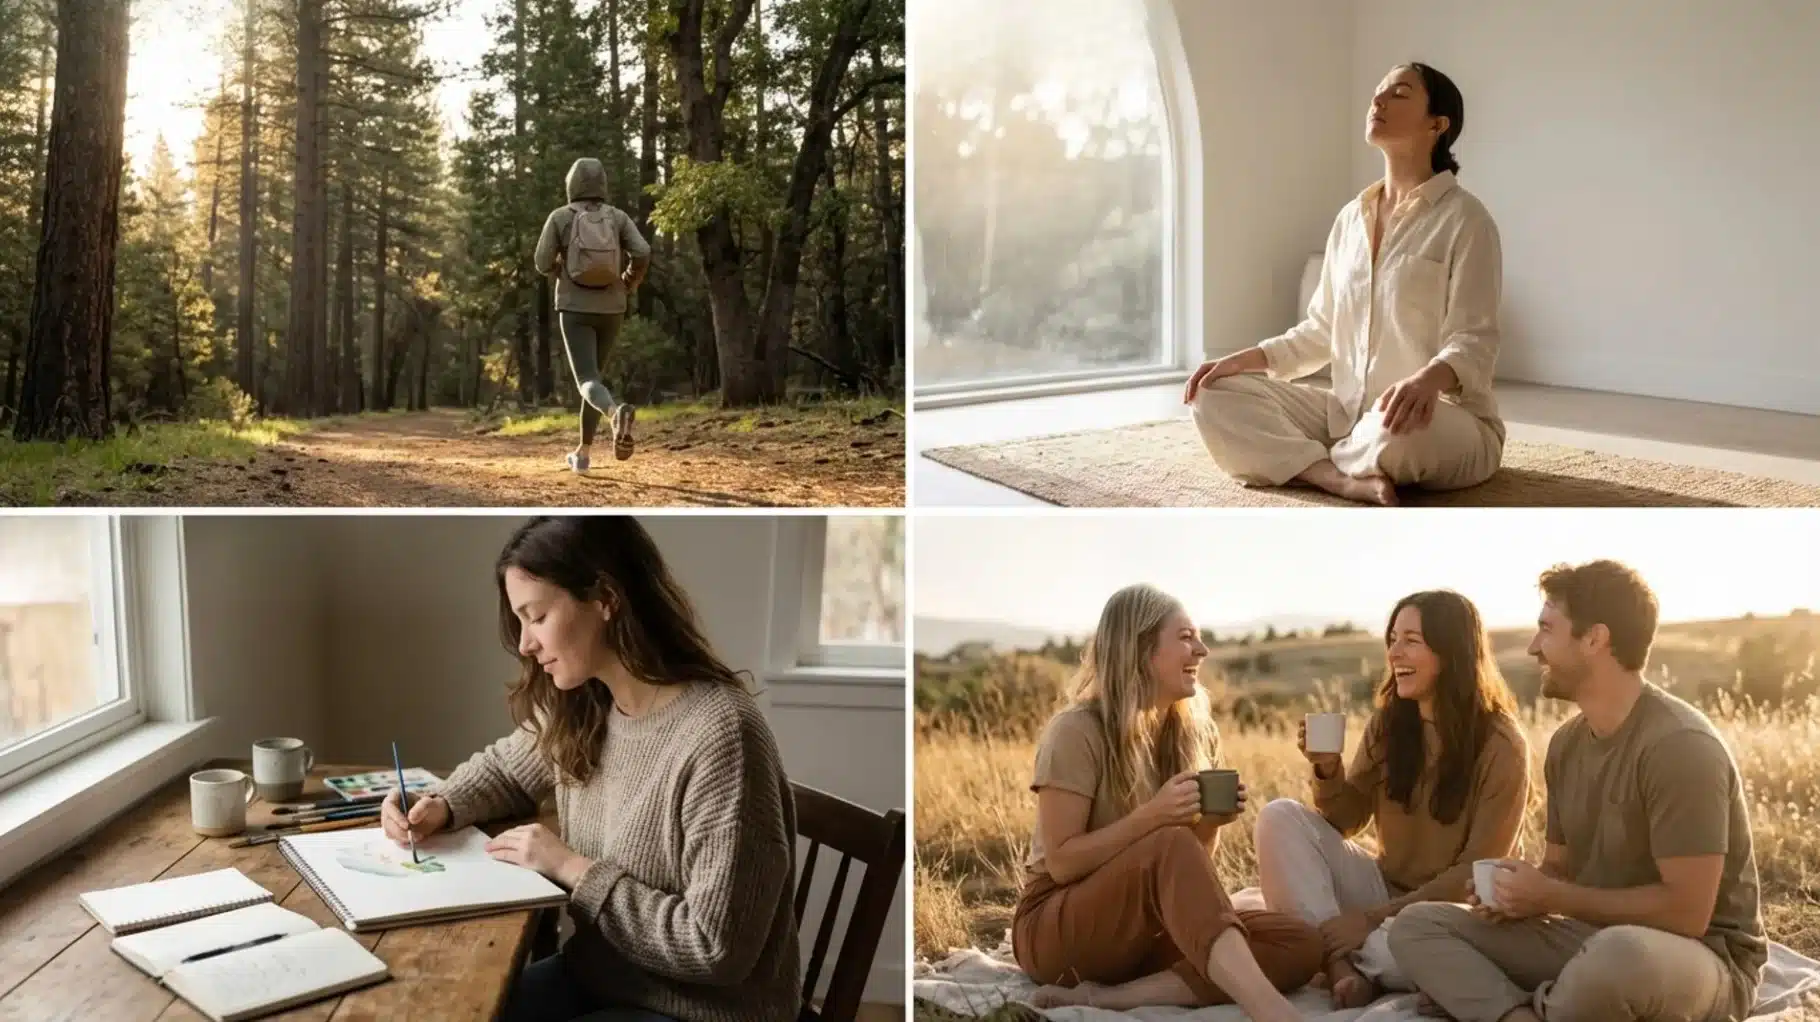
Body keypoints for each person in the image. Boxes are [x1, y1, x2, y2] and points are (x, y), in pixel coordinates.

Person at [380, 516, 800, 1022]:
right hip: (600, 978)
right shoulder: (588, 702)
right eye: (519, 621)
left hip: (700, 1011)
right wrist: (439, 805)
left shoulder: (720, 735)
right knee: (446, 1010)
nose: (526, 644)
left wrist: (571, 869)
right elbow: (507, 771)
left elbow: (715, 948)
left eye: (535, 617)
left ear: (604, 599)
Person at [1389, 560, 1767, 1022]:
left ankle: (1510, 1003)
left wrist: (1550, 898)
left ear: (1594, 639)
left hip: (1699, 958)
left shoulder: (1679, 746)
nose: (1533, 647)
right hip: (1591, 935)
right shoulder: (1566, 746)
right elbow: (1560, 871)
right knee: (1417, 926)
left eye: (1547, 629)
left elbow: (1687, 912)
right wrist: (1517, 897)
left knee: (1619, 957)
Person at [1184, 63, 1504, 506]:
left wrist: (1427, 380)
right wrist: (1248, 359)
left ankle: (1307, 459)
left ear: (1438, 123)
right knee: (1212, 393)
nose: (1378, 101)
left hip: (1439, 420)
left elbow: (1475, 340)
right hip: (1345, 417)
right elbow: (1320, 330)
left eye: (1399, 93)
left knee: (1396, 435)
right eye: (1378, 92)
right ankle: (1335, 477)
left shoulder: (1467, 220)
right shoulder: (1351, 219)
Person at [1013, 583, 1323, 1020]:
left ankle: (1111, 998)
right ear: (1141, 650)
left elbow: (1185, 867)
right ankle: (1271, 1011)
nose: (1202, 650)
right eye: (1185, 637)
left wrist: (1211, 824)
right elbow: (1061, 863)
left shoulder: (1192, 732)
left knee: (1299, 943)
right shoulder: (1077, 731)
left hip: (1142, 932)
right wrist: (1153, 817)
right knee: (1169, 841)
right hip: (1057, 929)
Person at [1253, 590, 1528, 1009]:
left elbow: (1475, 870)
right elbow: (1346, 819)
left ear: (1450, 652)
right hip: (1382, 890)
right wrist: (1327, 769)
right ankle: (1341, 966)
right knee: (1278, 817)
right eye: (1393, 638)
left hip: (1446, 913)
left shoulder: (1501, 743)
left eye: (1411, 640)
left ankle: (1343, 960)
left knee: (1399, 952)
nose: (1394, 652)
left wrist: (1370, 921)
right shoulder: (1389, 724)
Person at [534, 158, 652, 475]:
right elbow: (642, 252)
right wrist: (627, 282)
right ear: (602, 185)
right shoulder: (618, 218)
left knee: (588, 380)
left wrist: (563, 273)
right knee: (595, 378)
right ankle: (583, 454)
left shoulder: (560, 217)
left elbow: (542, 261)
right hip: (612, 306)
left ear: (571, 185)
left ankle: (615, 414)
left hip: (574, 306)